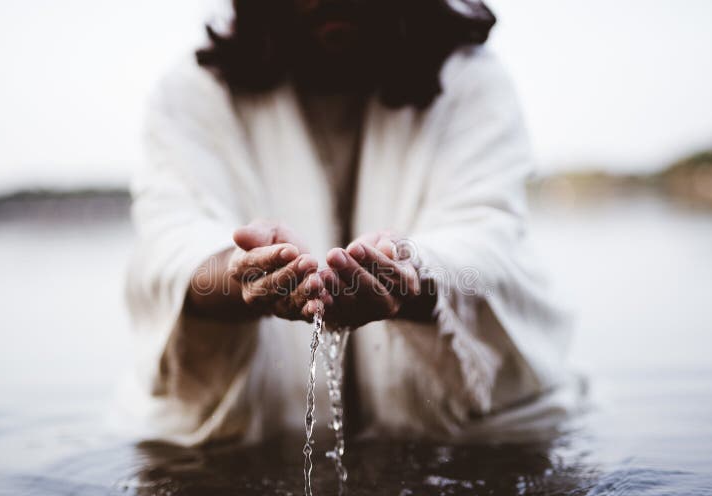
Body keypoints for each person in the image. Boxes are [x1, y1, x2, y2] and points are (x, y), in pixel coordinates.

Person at [123, 0, 575, 446]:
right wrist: (238, 274)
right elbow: (170, 244)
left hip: (472, 437)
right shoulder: (193, 91)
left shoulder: (471, 80)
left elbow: (489, 239)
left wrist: (411, 273)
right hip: (236, 435)